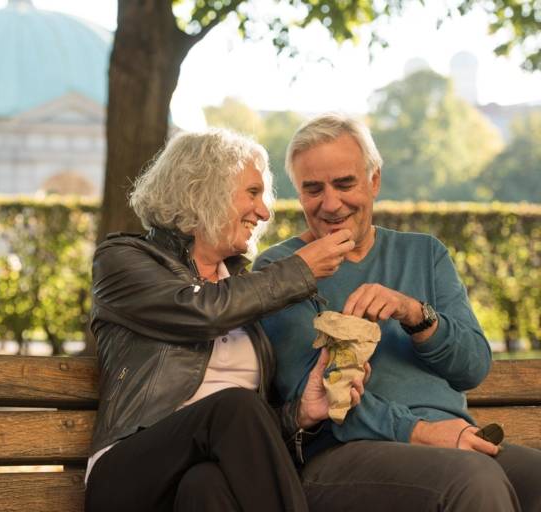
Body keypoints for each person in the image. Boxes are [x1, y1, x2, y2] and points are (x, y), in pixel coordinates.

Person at [254, 112, 541, 512]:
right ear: (299, 194)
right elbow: (318, 393)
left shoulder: (425, 253)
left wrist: (415, 314)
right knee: (474, 479)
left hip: (454, 440)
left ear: (374, 180)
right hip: (344, 454)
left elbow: (473, 367)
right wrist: (422, 432)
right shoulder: (281, 270)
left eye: (344, 183)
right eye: (313, 189)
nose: (330, 203)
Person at [84, 128, 367, 512]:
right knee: (233, 406)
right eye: (252, 193)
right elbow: (200, 311)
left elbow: (245, 435)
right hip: (128, 473)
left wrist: (299, 414)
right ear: (203, 190)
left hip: (199, 475)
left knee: (206, 487)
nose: (265, 212)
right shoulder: (123, 261)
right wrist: (299, 269)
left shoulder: (240, 287)